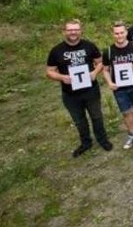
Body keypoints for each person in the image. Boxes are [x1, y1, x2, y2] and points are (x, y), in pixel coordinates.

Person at [46, 19, 112, 156]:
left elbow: (101, 62)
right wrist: (62, 77)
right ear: (64, 31)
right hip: (70, 94)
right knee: (79, 120)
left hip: (90, 90)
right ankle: (85, 143)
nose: (73, 32)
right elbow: (49, 71)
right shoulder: (56, 50)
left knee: (97, 116)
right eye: (70, 30)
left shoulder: (89, 46)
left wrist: (94, 72)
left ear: (81, 31)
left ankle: (102, 139)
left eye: (76, 29)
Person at [102, 22, 133, 149]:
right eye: (116, 33)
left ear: (126, 33)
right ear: (113, 34)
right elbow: (105, 70)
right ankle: (131, 133)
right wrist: (109, 83)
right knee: (126, 112)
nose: (119, 35)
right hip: (119, 88)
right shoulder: (108, 51)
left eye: (122, 32)